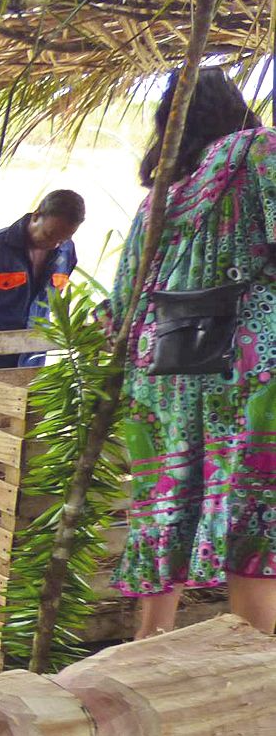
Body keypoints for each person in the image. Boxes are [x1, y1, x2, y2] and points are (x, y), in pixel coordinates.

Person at [107, 66, 276, 638]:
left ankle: (147, 652)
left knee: (166, 500)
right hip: (248, 367)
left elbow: (119, 304)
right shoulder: (261, 152)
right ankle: (248, 665)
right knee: (250, 505)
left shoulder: (160, 196)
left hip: (164, 370)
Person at [0, 190, 85, 367]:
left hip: (32, 361)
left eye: (64, 239)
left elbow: (52, 302)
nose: (54, 244)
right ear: (36, 216)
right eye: (49, 235)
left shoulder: (67, 252)